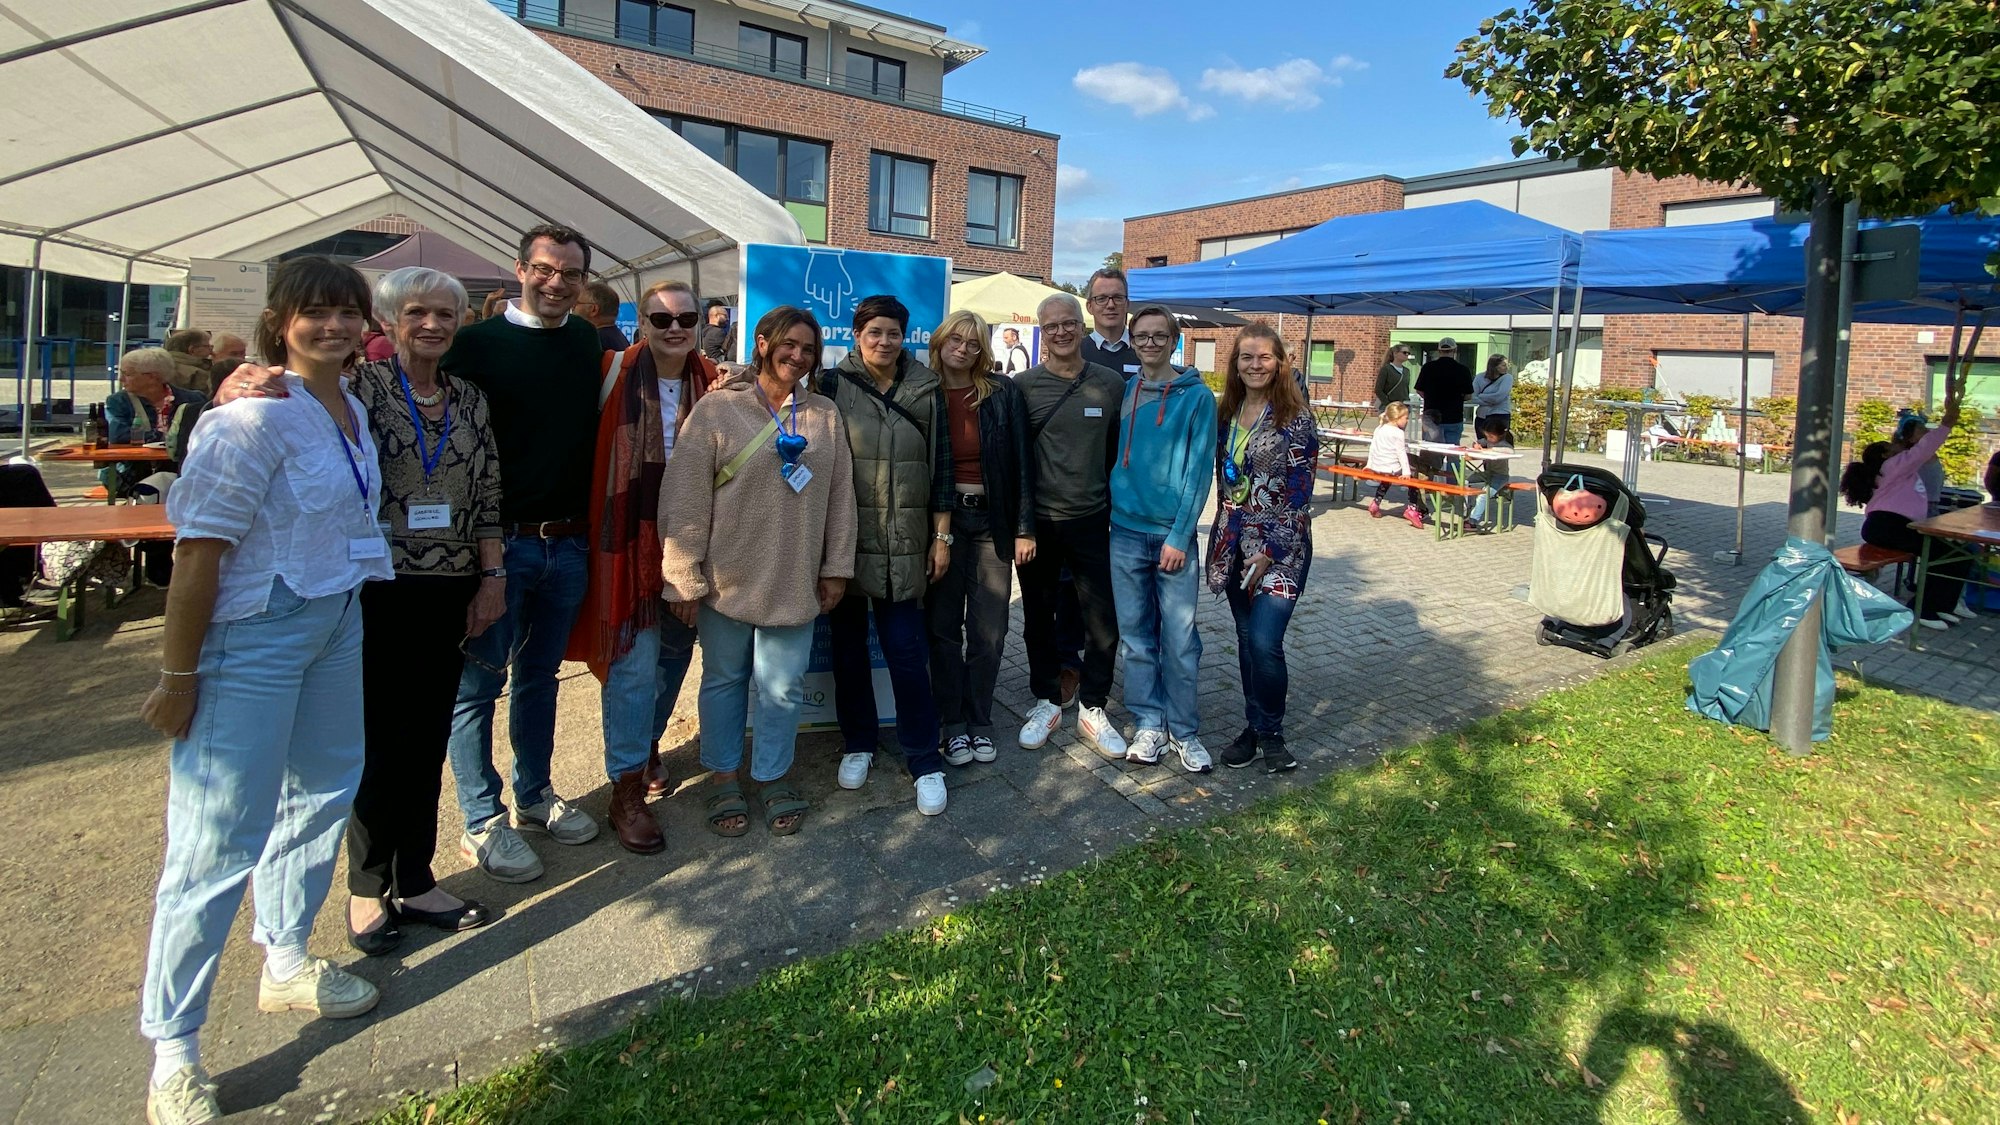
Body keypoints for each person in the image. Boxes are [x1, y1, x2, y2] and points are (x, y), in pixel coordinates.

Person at [136, 257, 392, 1124]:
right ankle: (173, 1047)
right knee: (215, 840)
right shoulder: (246, 417)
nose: (335, 327)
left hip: (335, 617)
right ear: (280, 322)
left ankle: (285, 960)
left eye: (349, 314)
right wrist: (178, 674)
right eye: (316, 313)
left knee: (320, 796)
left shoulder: (351, 407)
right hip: (253, 633)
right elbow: (199, 550)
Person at [341, 267, 505, 957]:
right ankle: (364, 885)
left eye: (445, 312)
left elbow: (489, 488)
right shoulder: (357, 391)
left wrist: (492, 574)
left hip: (451, 586)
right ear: (387, 320)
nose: (432, 324)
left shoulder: (469, 399)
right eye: (417, 312)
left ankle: (416, 875)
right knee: (380, 739)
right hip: (376, 585)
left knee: (429, 732)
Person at [441, 225, 607, 881]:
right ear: (519, 269)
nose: (557, 281)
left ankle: (534, 794)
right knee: (478, 685)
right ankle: (483, 820)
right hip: (497, 545)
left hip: (565, 544)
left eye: (570, 272)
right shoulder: (474, 344)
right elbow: (409, 392)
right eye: (545, 268)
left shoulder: (583, 340)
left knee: (541, 678)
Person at [660, 305, 856, 836]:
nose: (798, 355)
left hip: (794, 574)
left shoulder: (823, 415)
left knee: (784, 688)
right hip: (726, 577)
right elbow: (685, 497)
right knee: (724, 680)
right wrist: (682, 576)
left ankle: (772, 774)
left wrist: (836, 567)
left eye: (809, 349)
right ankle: (724, 775)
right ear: (763, 343)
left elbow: (841, 498)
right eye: (788, 343)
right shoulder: (718, 409)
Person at [565, 279, 720, 854]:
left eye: (685, 317)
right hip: (627, 541)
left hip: (694, 539)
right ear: (642, 324)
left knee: (677, 651)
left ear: (700, 321)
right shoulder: (612, 371)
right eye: (661, 319)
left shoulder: (717, 382)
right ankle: (626, 787)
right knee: (633, 662)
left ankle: (649, 741)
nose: (675, 327)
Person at [816, 295, 954, 815]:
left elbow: (940, 466)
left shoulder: (926, 387)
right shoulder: (829, 385)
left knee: (906, 656)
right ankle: (859, 743)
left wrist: (941, 537)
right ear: (856, 334)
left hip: (904, 543)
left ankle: (924, 759)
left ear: (905, 336)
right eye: (874, 331)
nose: (883, 341)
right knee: (849, 655)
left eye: (893, 332)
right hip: (846, 543)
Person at [1014, 294, 1127, 758]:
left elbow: (1116, 451)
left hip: (1093, 519)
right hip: (1039, 523)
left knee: (1102, 622)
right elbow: (1017, 461)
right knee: (1038, 619)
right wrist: (1021, 525)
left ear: (1082, 328)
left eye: (1069, 324)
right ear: (1042, 331)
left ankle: (1094, 707)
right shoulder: (1021, 387)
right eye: (1052, 325)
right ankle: (1046, 700)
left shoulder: (1110, 383)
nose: (1061, 331)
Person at [1109, 306, 1218, 774]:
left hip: (1171, 538)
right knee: (1135, 639)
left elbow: (1198, 472)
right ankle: (1149, 723)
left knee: (1178, 639)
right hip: (1125, 531)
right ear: (1132, 340)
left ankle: (1185, 731)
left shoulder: (1197, 398)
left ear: (1174, 340)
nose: (1149, 343)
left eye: (1159, 336)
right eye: (1141, 336)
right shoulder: (1129, 388)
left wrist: (1180, 535)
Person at [925, 310, 1035, 768]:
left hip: (993, 523)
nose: (964, 349)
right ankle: (951, 723)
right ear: (940, 341)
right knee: (943, 629)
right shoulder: (922, 391)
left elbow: (1023, 463)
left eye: (974, 343)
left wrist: (1025, 527)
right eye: (957, 339)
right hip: (941, 527)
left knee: (990, 631)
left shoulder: (1001, 392)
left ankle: (980, 719)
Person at [1206, 324, 1315, 774]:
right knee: (1247, 640)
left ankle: (1270, 732)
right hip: (1233, 542)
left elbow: (1301, 492)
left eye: (1264, 357)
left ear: (1279, 362)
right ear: (1235, 364)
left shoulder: (1297, 418)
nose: (1254, 365)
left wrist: (1270, 549)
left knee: (1267, 641)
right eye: (1246, 357)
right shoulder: (1225, 413)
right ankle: (1254, 728)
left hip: (1281, 547)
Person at [1839, 374, 1972, 630]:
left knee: (1958, 553)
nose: (1899, 448)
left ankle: (1942, 604)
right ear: (1885, 455)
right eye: (1893, 446)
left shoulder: (1898, 470)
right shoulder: (1892, 466)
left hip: (1892, 526)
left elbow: (1921, 454)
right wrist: (1946, 424)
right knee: (1941, 553)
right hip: (1888, 526)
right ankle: (1923, 608)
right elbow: (1922, 450)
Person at [1366, 401, 1427, 529]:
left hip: (1378, 466)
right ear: (1397, 418)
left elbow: (1372, 448)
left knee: (1387, 479)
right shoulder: (1398, 433)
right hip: (1391, 467)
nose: (1407, 421)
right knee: (1414, 479)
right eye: (1406, 418)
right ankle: (1412, 508)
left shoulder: (1379, 428)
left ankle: (1376, 502)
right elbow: (1401, 454)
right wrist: (1406, 473)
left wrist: (1369, 464)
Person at [1414, 337, 1473, 443]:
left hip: (1431, 416)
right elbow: (1468, 395)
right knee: (1453, 452)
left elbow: (1419, 390)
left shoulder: (1428, 367)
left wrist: (1430, 397)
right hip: (1454, 416)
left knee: (1431, 452)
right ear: (1455, 350)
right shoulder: (1463, 370)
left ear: (1439, 350)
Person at [1466, 414, 1516, 531]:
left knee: (1483, 495)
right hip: (1488, 473)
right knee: (1465, 479)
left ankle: (1473, 521)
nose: (1488, 439)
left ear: (1500, 434)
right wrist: (1476, 446)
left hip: (1500, 476)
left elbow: (1510, 451)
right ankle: (1465, 509)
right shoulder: (1487, 441)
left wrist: (1486, 450)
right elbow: (1477, 443)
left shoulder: (1504, 444)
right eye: (1487, 435)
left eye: (1491, 436)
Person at [1893, 411, 1947, 518]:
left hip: (1926, 504)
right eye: (1921, 430)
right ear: (1911, 438)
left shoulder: (1921, 454)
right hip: (1921, 507)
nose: (1927, 431)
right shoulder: (1917, 455)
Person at [578, 281, 631, 351]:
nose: (572, 307)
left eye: (577, 303)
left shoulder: (592, 342)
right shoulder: (619, 338)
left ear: (593, 310)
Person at [164, 328, 214, 393]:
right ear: (192, 350)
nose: (211, 351)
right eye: (207, 346)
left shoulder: (161, 367)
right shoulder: (198, 374)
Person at [1473, 354, 1513, 432]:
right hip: (1482, 417)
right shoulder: (1479, 377)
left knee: (1498, 443)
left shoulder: (1507, 378)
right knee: (1482, 443)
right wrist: (1491, 401)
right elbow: (1473, 397)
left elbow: (1498, 397)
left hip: (1500, 415)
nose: (1506, 368)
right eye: (1503, 365)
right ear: (1495, 366)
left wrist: (1481, 396)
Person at [1374, 343, 1413, 408]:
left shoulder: (1406, 371)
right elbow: (1378, 389)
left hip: (1403, 405)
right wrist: (1387, 403)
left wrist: (1407, 402)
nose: (1407, 355)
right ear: (1395, 353)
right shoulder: (1386, 369)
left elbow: (1405, 389)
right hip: (1389, 405)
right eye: (1404, 352)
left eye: (1408, 353)